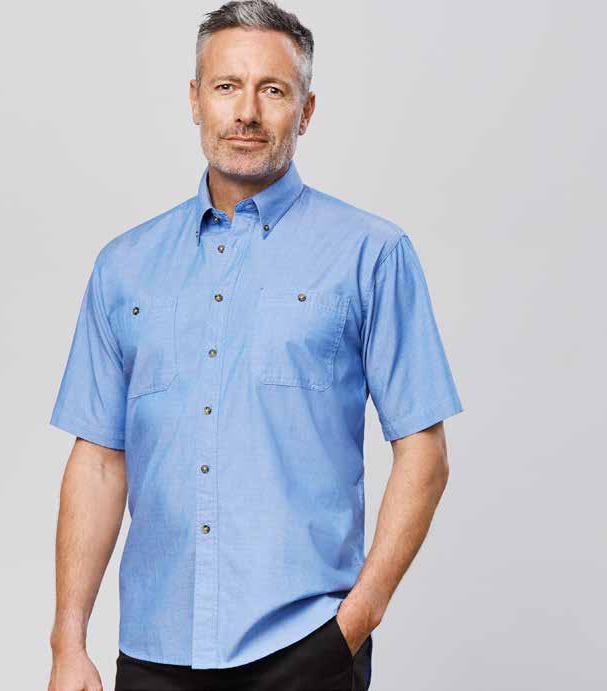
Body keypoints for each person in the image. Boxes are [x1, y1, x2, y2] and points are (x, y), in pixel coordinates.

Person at [46, 1, 464, 689]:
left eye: (272, 89)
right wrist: (68, 641)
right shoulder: (124, 267)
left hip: (306, 646)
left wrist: (353, 624)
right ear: (194, 100)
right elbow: (97, 460)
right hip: (153, 649)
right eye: (226, 86)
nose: (245, 112)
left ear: (306, 110)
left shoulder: (371, 254)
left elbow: (424, 452)